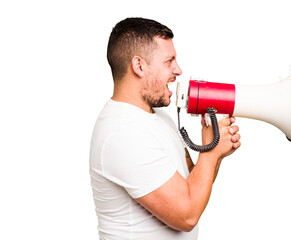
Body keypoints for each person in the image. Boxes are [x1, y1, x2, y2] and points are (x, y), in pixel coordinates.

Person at [89, 17, 241, 240]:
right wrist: (211, 153)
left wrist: (214, 149)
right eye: (169, 61)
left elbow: (191, 185)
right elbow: (187, 216)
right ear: (139, 66)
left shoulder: (157, 116)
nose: (178, 70)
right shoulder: (123, 132)